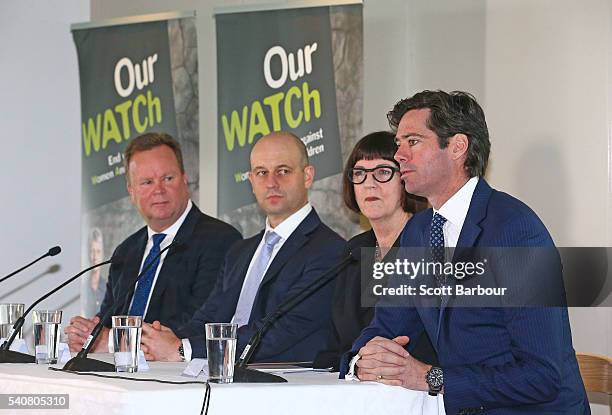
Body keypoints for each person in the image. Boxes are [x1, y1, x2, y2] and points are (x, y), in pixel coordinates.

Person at [341, 91, 589, 414]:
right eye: (398, 143)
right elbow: (385, 327)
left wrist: (431, 377)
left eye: (412, 142)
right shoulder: (417, 232)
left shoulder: (516, 231)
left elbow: (542, 376)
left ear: (458, 147)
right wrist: (362, 361)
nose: (399, 155)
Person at [140, 131, 346, 363]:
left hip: (282, 386)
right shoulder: (240, 252)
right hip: (220, 378)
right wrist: (163, 340)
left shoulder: (330, 251)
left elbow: (280, 332)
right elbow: (207, 318)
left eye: (283, 171)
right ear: (251, 181)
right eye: (261, 173)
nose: (271, 182)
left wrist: (183, 349)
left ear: (307, 176)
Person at [65, 132, 242, 352]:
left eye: (168, 179)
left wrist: (111, 342)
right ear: (132, 192)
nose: (158, 190)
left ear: (185, 180)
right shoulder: (126, 250)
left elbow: (200, 324)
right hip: (124, 374)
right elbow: (109, 318)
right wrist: (88, 333)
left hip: (179, 379)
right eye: (147, 182)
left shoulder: (220, 240)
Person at [313, 131, 436, 371]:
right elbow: (338, 343)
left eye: (382, 172)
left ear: (407, 178)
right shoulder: (355, 250)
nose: (369, 183)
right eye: (359, 173)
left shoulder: (431, 244)